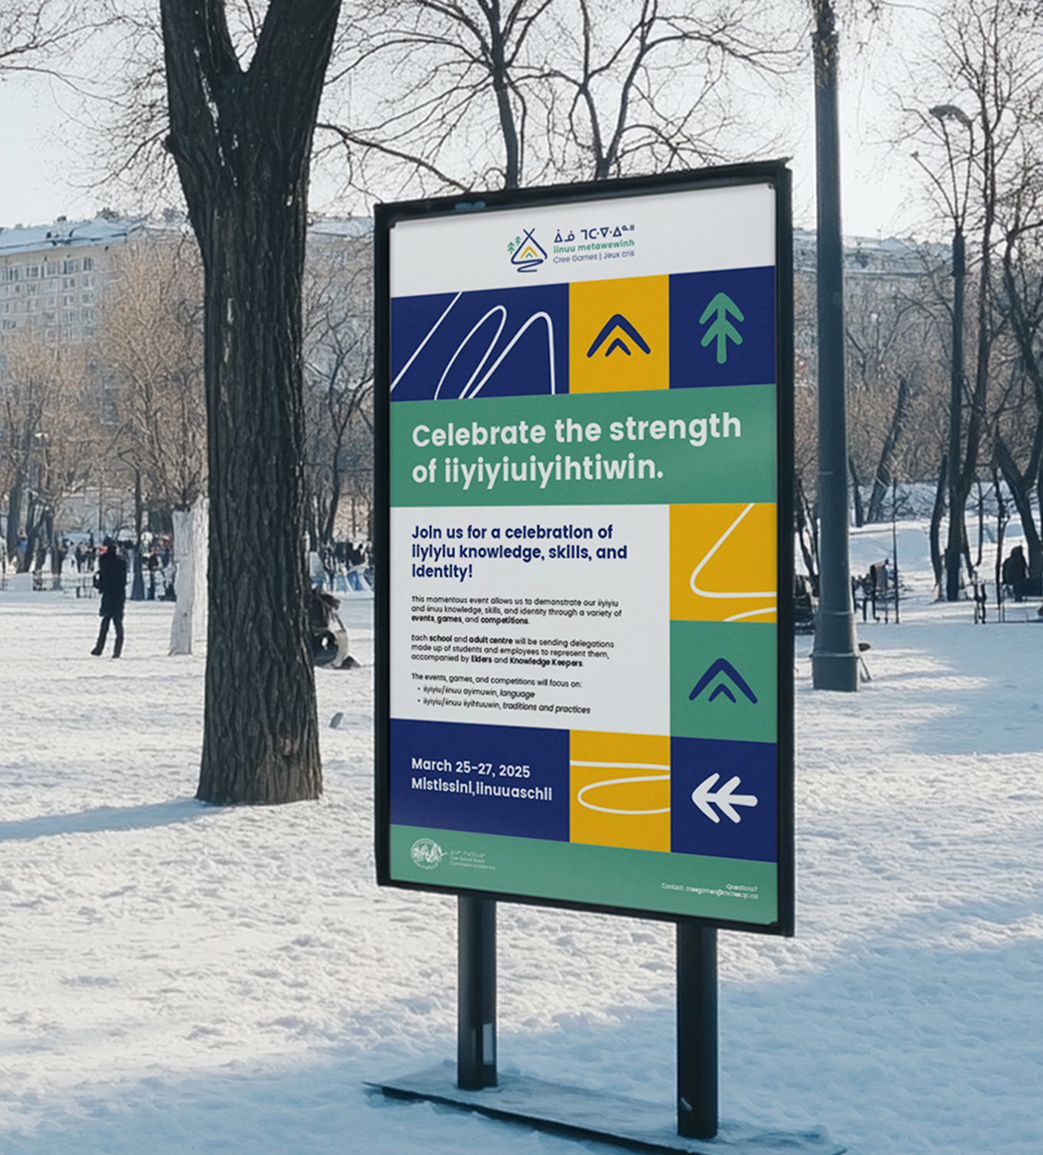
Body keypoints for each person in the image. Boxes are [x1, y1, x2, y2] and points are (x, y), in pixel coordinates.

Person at [91, 538, 127, 658]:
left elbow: (103, 581)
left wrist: (97, 583)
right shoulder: (121, 563)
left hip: (108, 595)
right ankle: (117, 651)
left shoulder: (104, 562)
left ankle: (99, 648)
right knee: (118, 624)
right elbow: (123, 581)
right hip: (119, 596)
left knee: (105, 623)